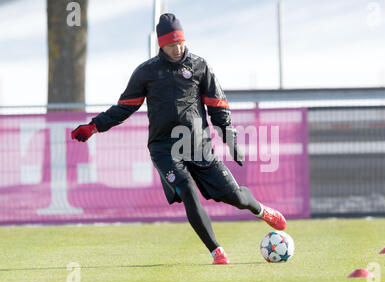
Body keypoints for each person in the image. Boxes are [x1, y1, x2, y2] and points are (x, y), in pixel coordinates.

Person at [71, 13, 286, 265]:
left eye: (180, 43)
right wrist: (94, 126)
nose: (178, 48)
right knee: (186, 190)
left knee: (236, 197)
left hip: (199, 146)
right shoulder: (146, 72)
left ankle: (261, 210)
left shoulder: (199, 66)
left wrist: (230, 137)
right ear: (161, 45)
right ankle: (217, 251)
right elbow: (124, 107)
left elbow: (217, 105)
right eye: (171, 44)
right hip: (164, 149)